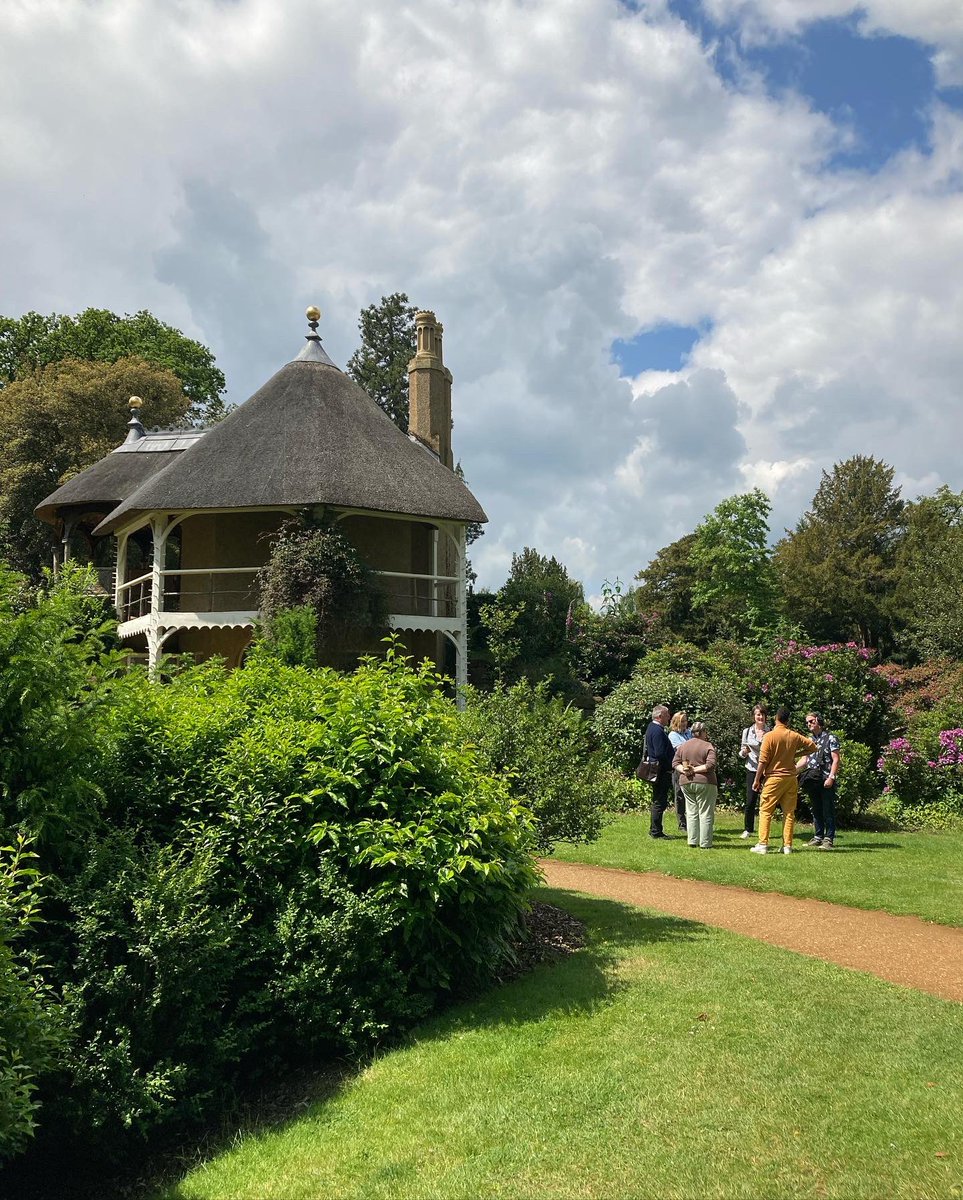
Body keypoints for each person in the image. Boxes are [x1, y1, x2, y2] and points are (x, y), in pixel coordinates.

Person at [750, 706, 818, 855]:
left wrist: (757, 779)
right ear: (788, 721)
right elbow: (813, 747)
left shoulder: (769, 736)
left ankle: (763, 844)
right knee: (789, 813)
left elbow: (763, 760)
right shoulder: (793, 736)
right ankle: (787, 846)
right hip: (791, 778)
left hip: (773, 778)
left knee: (765, 811)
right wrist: (796, 753)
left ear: (776, 718)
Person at [673, 721, 718, 849]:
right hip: (705, 782)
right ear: (703, 732)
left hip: (686, 782)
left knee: (691, 812)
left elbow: (675, 763)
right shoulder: (708, 746)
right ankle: (705, 843)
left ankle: (692, 840)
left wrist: (685, 771)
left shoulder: (683, 746)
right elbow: (710, 765)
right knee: (705, 812)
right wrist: (696, 770)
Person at [800, 712, 841, 850]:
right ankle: (818, 837)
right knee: (816, 809)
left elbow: (836, 759)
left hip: (826, 778)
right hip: (813, 779)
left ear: (819, 721)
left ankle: (828, 839)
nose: (809, 724)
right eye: (807, 722)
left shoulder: (831, 738)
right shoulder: (809, 740)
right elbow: (805, 760)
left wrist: (831, 777)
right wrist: (791, 771)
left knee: (828, 809)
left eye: (811, 721)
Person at [738, 704, 771, 839]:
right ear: (754, 716)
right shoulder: (747, 731)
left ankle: (765, 830)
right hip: (752, 769)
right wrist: (744, 752)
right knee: (750, 800)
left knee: (767, 801)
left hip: (767, 770)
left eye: (762, 714)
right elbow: (741, 752)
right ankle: (748, 829)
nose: (760, 717)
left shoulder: (770, 732)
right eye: (758, 714)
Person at [644, 704, 675, 839]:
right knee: (659, 801)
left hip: (658, 769)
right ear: (660, 716)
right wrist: (670, 766)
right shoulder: (657, 730)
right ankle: (656, 831)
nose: (669, 717)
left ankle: (655, 829)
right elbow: (660, 753)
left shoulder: (652, 728)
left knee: (658, 799)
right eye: (667, 715)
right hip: (661, 771)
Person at [668, 710, 693, 832]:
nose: (684, 723)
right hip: (679, 768)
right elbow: (680, 750)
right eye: (682, 721)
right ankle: (682, 823)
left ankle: (692, 821)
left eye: (685, 721)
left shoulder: (689, 733)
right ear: (676, 722)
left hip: (691, 766)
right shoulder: (673, 735)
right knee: (680, 795)